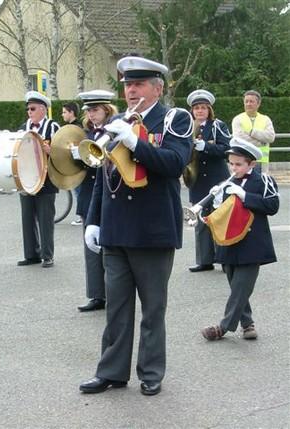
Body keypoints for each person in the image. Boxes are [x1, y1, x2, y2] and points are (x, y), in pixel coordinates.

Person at [79, 56, 193, 396]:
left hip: (152, 230)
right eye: (127, 84)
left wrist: (134, 142)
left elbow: (174, 164)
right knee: (115, 308)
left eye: (138, 84)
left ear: (157, 88)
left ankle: (151, 371)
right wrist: (93, 220)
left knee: (152, 308)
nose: (130, 90)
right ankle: (112, 371)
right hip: (116, 229)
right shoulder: (118, 120)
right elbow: (102, 172)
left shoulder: (174, 118)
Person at [201, 137, 279, 341]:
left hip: (252, 244)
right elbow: (220, 215)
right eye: (231, 163)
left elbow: (272, 206)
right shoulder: (225, 184)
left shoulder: (263, 181)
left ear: (251, 164)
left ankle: (223, 327)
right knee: (237, 286)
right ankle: (247, 324)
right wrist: (212, 204)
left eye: (239, 164)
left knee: (240, 287)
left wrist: (245, 196)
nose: (233, 168)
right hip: (229, 243)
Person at [73, 90, 118, 312]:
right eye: (89, 111)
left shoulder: (115, 131)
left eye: (95, 110)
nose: (91, 114)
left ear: (107, 110)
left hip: (110, 195)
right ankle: (96, 295)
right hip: (89, 195)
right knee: (91, 249)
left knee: (112, 249)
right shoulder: (85, 134)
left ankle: (116, 294)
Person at [186, 89, 231, 273]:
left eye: (203, 108)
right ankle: (204, 260)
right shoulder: (187, 127)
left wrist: (206, 147)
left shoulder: (217, 125)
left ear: (209, 109)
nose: (199, 111)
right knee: (201, 220)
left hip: (216, 178)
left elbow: (227, 149)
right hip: (197, 180)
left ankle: (225, 258)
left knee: (220, 218)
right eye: (196, 108)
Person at [17, 91, 60, 268]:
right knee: (27, 218)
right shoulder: (23, 126)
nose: (29, 111)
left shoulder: (53, 127)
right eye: (28, 109)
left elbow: (63, 153)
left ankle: (47, 255)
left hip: (46, 179)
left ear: (43, 109)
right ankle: (31, 255)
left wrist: (52, 151)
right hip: (26, 177)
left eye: (33, 108)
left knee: (45, 219)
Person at [232, 90, 275, 174]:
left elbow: (270, 137)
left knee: (260, 185)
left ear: (258, 104)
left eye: (251, 101)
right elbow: (239, 139)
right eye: (246, 101)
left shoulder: (265, 119)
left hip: (261, 162)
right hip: (243, 161)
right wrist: (262, 141)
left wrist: (252, 132)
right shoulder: (238, 119)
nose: (248, 104)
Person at [61, 102, 83, 226]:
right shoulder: (71, 126)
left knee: (79, 190)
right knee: (77, 190)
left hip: (77, 164)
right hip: (73, 163)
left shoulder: (76, 127)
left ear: (71, 112)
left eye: (64, 112)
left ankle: (82, 215)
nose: (62, 114)